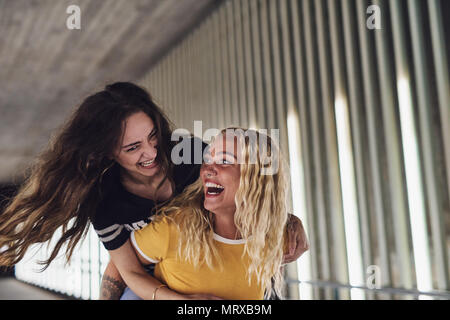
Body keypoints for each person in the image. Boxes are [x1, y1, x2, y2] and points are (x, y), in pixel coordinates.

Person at [0, 82, 308, 299]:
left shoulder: (187, 153)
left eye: (152, 136)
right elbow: (128, 271)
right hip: (147, 277)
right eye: (133, 147)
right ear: (108, 153)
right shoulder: (104, 200)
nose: (150, 153)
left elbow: (245, 189)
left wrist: (288, 221)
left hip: (204, 262)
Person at [118, 128, 290, 299]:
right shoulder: (174, 228)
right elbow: (121, 266)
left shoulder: (275, 240)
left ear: (257, 177)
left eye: (224, 160)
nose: (207, 169)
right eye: (208, 159)